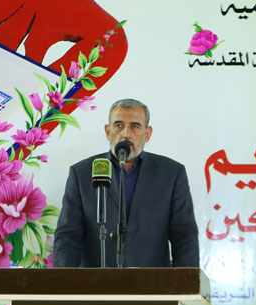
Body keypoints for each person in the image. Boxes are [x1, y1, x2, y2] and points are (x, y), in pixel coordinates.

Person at [53, 99, 199, 267]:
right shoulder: (82, 173)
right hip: (97, 280)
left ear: (147, 133)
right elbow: (68, 237)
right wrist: (64, 281)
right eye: (118, 125)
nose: (126, 134)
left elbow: (184, 236)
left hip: (152, 281)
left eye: (135, 126)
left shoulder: (171, 173)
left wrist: (186, 280)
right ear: (108, 131)